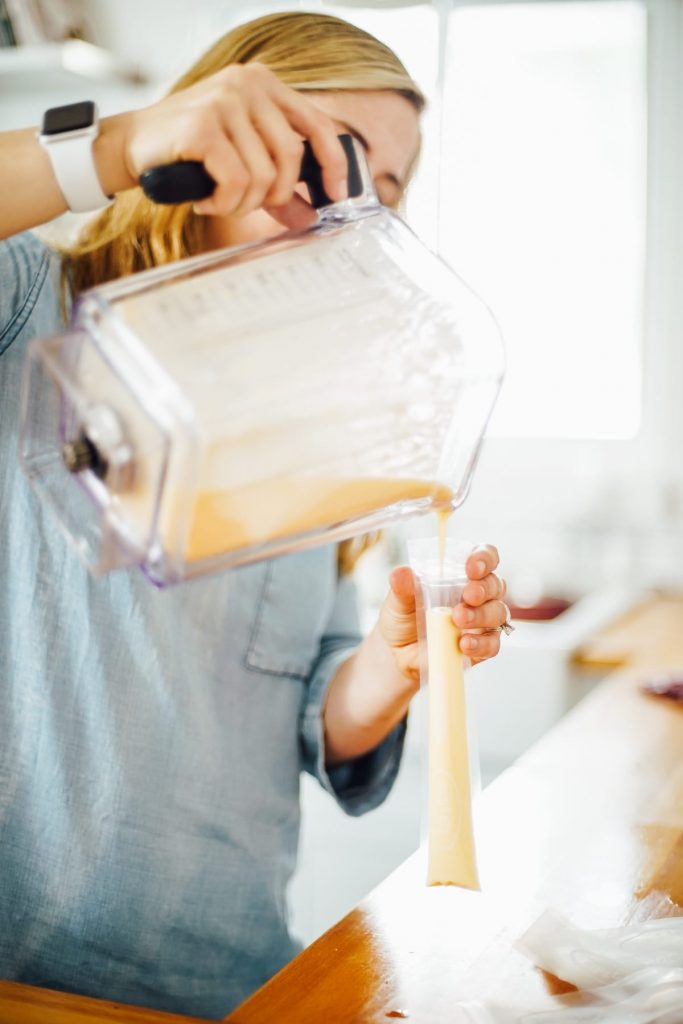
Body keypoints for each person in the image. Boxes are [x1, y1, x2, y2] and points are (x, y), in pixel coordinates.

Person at [0, 11, 510, 1020]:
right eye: (319, 154)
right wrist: (116, 145)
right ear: (211, 130)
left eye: (381, 188)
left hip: (230, 986)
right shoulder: (37, 307)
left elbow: (307, 705)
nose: (341, 207)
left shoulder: (326, 421)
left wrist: (387, 667)